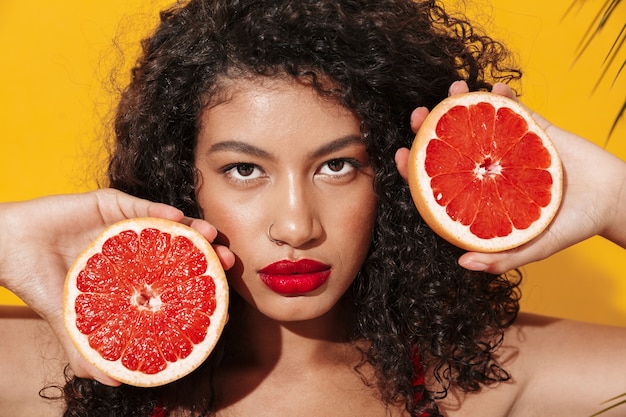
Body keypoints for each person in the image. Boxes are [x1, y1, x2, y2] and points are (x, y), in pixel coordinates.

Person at [1, 0, 625, 416]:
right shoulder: (82, 362)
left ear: (395, 175)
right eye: (244, 170)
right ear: (181, 180)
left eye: (338, 165)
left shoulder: (484, 380)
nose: (297, 226)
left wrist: (615, 196)